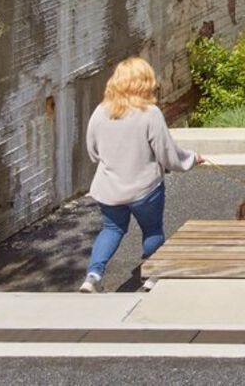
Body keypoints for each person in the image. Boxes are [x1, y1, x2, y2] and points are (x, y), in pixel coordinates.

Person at [79, 56, 200, 292]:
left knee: (111, 229)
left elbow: (92, 151)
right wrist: (192, 159)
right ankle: (152, 276)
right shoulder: (150, 113)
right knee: (152, 229)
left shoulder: (101, 111)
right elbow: (167, 155)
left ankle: (92, 276)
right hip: (144, 188)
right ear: (145, 83)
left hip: (110, 188)